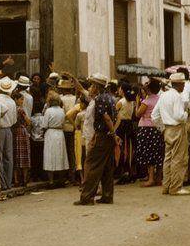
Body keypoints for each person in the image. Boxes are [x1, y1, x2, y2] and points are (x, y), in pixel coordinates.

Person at [74, 74, 117, 205]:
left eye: (92, 85)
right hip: (107, 136)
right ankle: (107, 195)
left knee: (91, 165)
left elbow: (107, 118)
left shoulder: (99, 99)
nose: (91, 88)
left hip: (102, 135)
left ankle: (87, 197)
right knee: (107, 167)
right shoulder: (111, 98)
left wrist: (113, 133)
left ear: (97, 87)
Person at [151, 73, 190, 196]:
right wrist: (186, 114)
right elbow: (179, 116)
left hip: (167, 129)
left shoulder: (163, 96)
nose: (184, 85)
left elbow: (154, 115)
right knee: (178, 159)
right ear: (178, 84)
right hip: (177, 128)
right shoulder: (177, 97)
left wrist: (162, 128)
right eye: (183, 83)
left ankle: (166, 185)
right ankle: (176, 187)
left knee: (168, 159)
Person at [135, 79, 165, 187]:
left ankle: (151, 178)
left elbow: (138, 114)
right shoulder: (160, 99)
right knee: (157, 153)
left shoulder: (146, 102)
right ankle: (158, 177)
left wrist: (138, 103)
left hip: (146, 128)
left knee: (148, 154)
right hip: (157, 128)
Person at [42, 91, 68, 187]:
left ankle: (51, 181)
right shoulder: (62, 110)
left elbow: (45, 125)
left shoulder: (48, 111)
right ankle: (61, 180)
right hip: (60, 133)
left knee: (50, 156)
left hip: (51, 133)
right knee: (61, 155)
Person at [113, 82, 137, 185]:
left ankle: (121, 172)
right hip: (129, 125)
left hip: (121, 125)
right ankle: (129, 172)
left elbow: (114, 114)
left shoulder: (120, 102)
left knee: (120, 149)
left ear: (122, 90)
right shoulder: (132, 102)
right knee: (129, 148)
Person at [0, 76, 17, 190]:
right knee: (8, 156)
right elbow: (14, 120)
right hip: (8, 129)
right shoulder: (12, 102)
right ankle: (8, 182)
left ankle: (2, 182)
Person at [57, 79, 78, 185]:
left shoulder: (61, 99)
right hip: (73, 126)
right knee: (72, 152)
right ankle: (73, 175)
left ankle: (64, 176)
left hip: (64, 127)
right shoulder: (75, 99)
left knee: (64, 152)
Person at [11, 90, 32, 187]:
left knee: (16, 156)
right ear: (15, 99)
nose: (22, 101)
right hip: (21, 131)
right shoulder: (20, 110)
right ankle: (24, 179)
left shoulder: (11, 109)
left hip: (14, 132)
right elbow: (28, 122)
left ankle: (16, 179)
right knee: (24, 156)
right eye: (21, 99)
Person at [29, 88, 46, 182]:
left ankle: (34, 175)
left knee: (34, 158)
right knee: (41, 158)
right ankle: (41, 175)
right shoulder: (44, 118)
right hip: (42, 140)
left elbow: (30, 127)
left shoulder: (32, 118)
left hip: (34, 140)